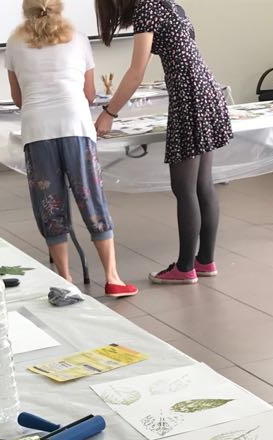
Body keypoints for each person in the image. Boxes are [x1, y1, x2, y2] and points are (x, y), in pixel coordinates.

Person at [6, 0, 137, 298]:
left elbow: (19, 98)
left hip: (38, 131)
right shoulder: (78, 40)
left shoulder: (14, 44)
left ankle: (65, 280)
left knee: (49, 203)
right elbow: (89, 94)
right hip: (76, 127)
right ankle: (113, 277)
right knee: (91, 197)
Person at [95, 0, 232, 285]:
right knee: (202, 184)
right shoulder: (169, 5)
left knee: (184, 188)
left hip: (190, 97)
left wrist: (108, 114)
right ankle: (204, 261)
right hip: (206, 90)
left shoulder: (146, 9)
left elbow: (136, 72)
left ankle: (185, 268)